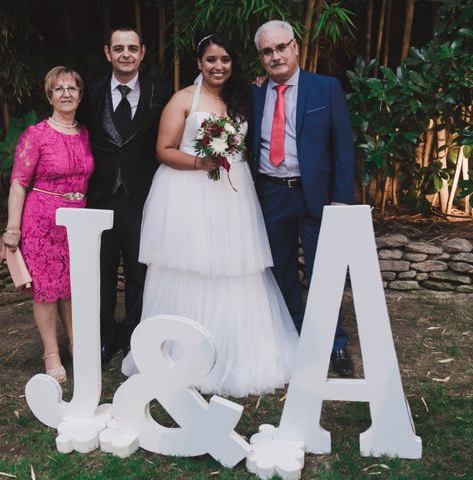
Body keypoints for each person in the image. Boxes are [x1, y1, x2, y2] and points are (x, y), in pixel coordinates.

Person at [121, 34, 299, 398]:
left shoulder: (242, 98)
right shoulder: (183, 99)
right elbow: (164, 150)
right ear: (199, 62)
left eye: (226, 60)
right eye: (211, 60)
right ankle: (180, 354)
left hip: (233, 195)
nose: (219, 66)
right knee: (191, 266)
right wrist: (202, 162)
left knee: (235, 266)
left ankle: (238, 351)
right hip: (189, 192)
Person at [249, 20, 356, 376]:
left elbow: (343, 147)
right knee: (280, 272)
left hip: (316, 196)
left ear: (295, 48)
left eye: (281, 47)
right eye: (267, 51)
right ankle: (294, 337)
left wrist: (341, 198)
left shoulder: (325, 88)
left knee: (322, 271)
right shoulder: (254, 93)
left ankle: (334, 344)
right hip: (270, 194)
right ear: (261, 57)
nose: (276, 55)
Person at [0, 66, 94, 383]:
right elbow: (18, 182)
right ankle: (51, 352)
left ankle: (78, 345)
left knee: (73, 288)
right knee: (47, 290)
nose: (66, 93)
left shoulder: (85, 133)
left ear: (80, 95)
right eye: (59, 89)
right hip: (42, 220)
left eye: (72, 88)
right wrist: (13, 228)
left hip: (77, 220)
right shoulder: (36, 134)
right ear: (49, 95)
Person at [84, 28, 171, 363]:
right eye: (118, 48)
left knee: (139, 271)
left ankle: (136, 336)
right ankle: (104, 336)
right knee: (102, 271)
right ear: (107, 52)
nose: (125, 54)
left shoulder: (160, 91)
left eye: (132, 48)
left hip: (142, 196)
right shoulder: (89, 91)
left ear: (143, 52)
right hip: (100, 196)